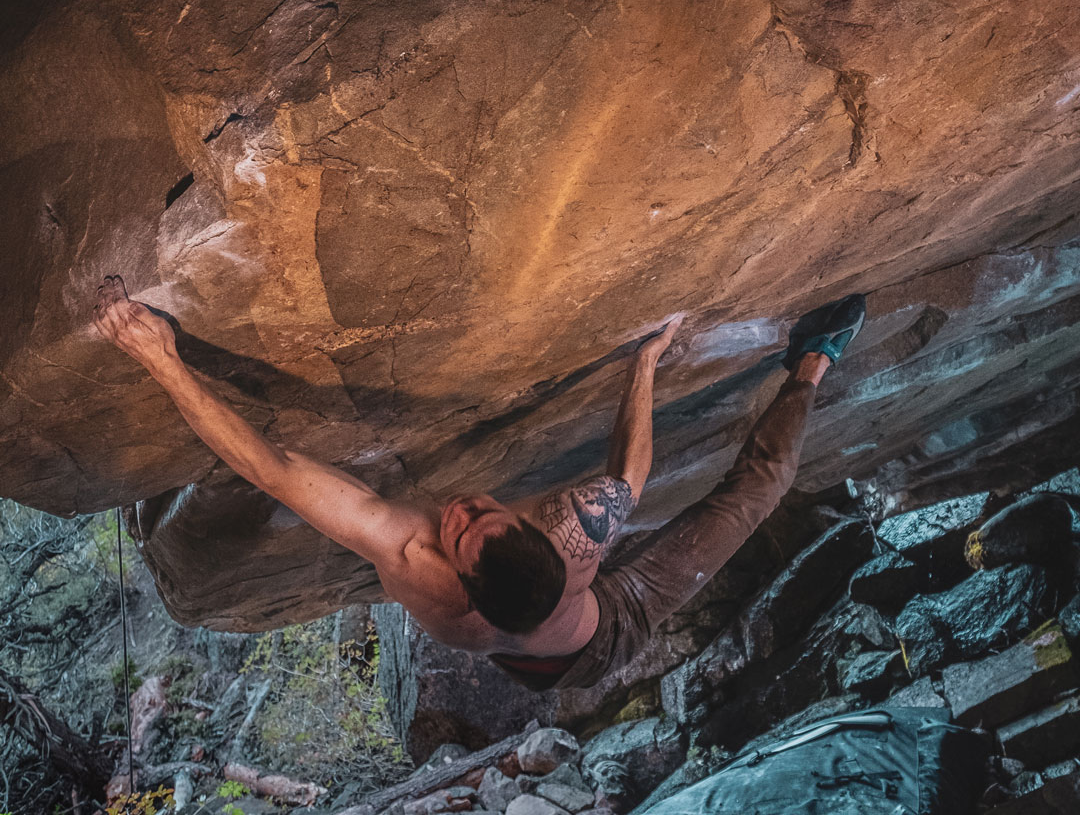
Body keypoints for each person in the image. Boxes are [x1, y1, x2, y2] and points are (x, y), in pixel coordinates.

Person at [93, 275, 865, 690]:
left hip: (564, 641)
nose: (463, 508)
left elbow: (272, 468)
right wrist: (645, 365)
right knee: (758, 493)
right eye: (478, 520)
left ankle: (810, 363)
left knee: (754, 491)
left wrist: (160, 360)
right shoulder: (515, 543)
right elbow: (630, 472)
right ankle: (817, 362)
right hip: (616, 627)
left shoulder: (479, 556)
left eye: (469, 524)